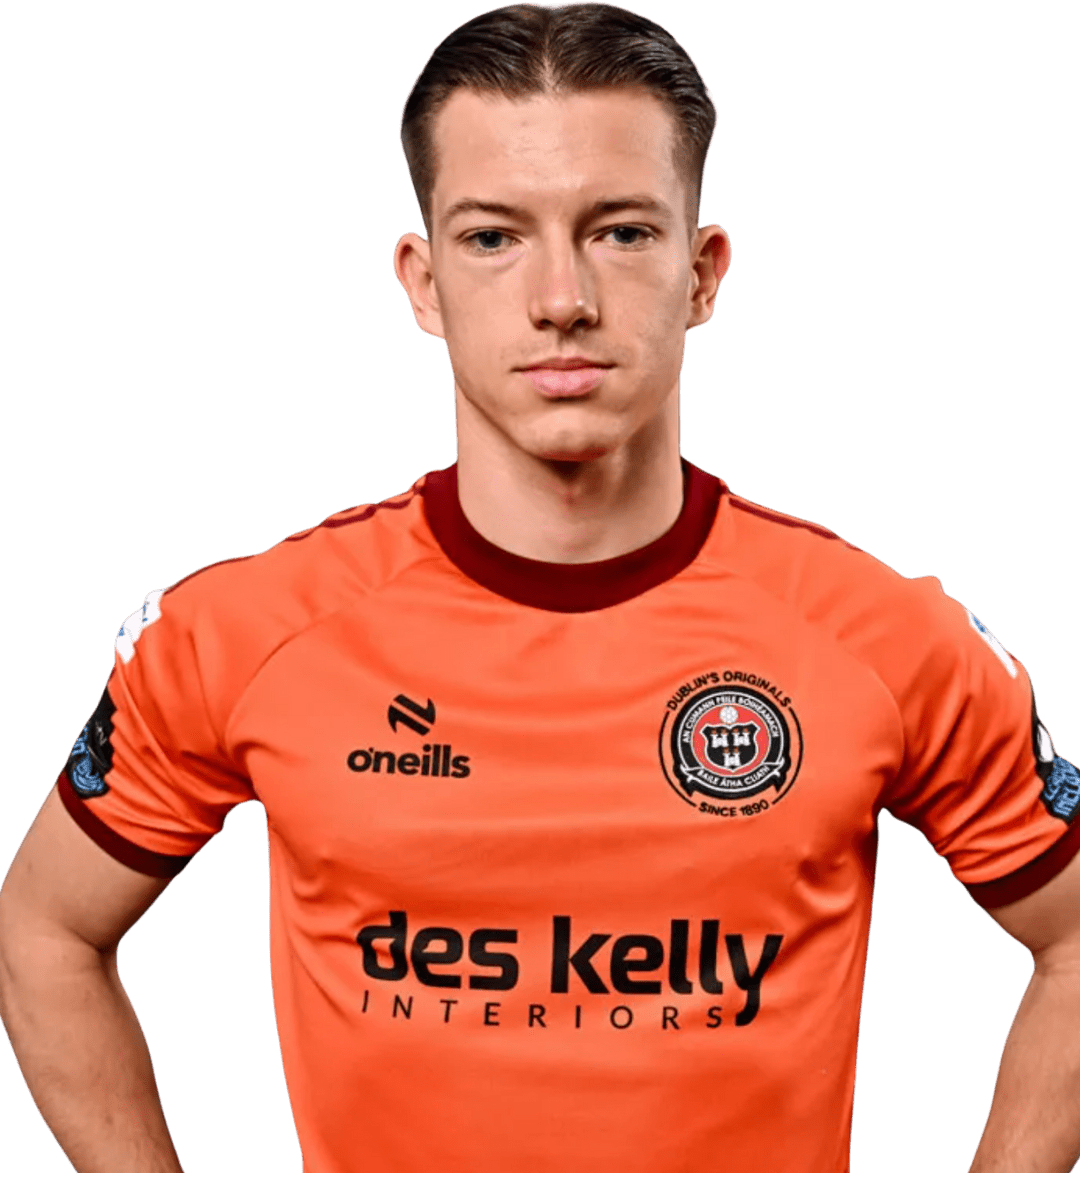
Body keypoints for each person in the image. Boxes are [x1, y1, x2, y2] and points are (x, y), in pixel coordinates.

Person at [1, 2, 1078, 1171]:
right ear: (423, 283)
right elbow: (45, 930)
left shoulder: (882, 637)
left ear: (702, 272)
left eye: (621, 231)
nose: (562, 296)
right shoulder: (244, 631)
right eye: (492, 237)